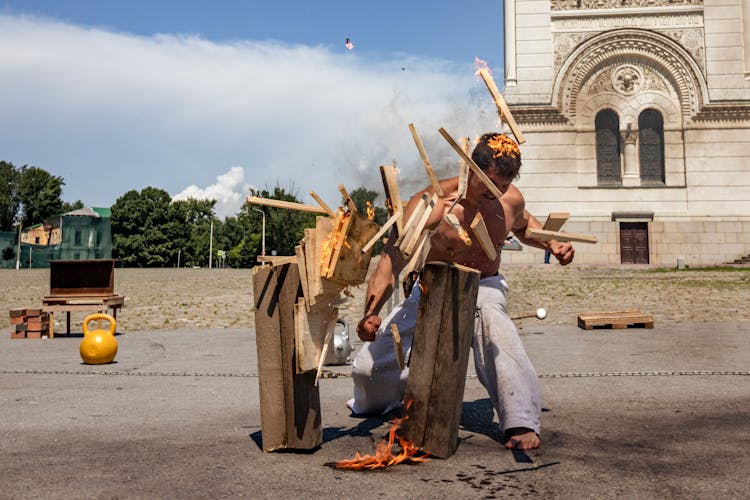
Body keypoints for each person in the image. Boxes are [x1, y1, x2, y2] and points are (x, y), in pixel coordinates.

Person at [348, 132, 574, 450]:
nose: (495, 196)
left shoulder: (509, 200)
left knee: (498, 334)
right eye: (488, 187)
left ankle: (520, 419)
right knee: (368, 370)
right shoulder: (430, 204)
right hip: (432, 289)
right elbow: (390, 263)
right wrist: (370, 313)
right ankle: (390, 394)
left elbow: (524, 226)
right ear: (469, 170)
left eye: (503, 188)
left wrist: (553, 243)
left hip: (484, 286)